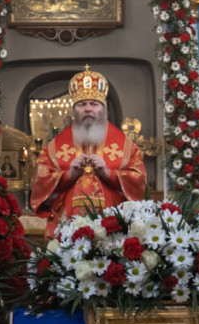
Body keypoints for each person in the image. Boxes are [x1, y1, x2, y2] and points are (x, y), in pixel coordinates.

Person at [31, 67, 146, 237]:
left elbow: (139, 180)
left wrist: (109, 174)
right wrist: (68, 175)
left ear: (103, 109)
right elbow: (40, 181)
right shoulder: (54, 148)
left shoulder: (127, 147)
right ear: (74, 110)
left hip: (113, 228)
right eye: (81, 104)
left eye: (94, 104)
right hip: (66, 229)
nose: (88, 109)